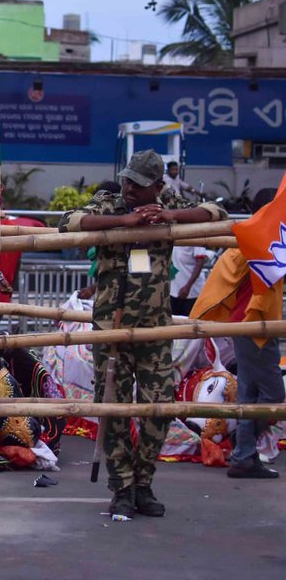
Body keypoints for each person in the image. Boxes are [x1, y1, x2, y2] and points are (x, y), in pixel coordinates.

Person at [60, 149, 226, 518]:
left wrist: (169, 216)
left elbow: (217, 213)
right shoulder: (110, 202)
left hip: (153, 326)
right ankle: (121, 487)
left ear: (157, 186)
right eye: (127, 180)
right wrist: (125, 220)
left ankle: (143, 482)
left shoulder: (167, 202)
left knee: (160, 404)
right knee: (115, 407)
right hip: (111, 326)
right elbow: (68, 221)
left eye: (137, 185)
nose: (129, 187)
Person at [190, 188, 283, 479]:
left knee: (249, 394)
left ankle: (244, 456)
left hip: (252, 324)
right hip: (253, 326)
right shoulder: (258, 237)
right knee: (273, 396)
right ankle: (242, 450)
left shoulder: (257, 236)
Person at [169, 244, 208, 316]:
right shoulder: (173, 236)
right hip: (173, 290)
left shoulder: (196, 238)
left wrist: (187, 287)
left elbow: (200, 263)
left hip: (192, 292)